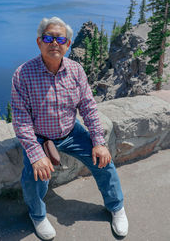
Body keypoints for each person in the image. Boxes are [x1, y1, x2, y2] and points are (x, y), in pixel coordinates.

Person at [11, 16, 128, 240]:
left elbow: (88, 108)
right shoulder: (23, 74)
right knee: (33, 177)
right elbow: (20, 119)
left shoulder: (76, 71)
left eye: (60, 38)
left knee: (105, 163)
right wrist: (36, 155)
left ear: (67, 44)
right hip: (39, 136)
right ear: (39, 42)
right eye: (48, 37)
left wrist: (99, 143)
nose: (54, 42)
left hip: (71, 132)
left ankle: (116, 207)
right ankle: (37, 214)